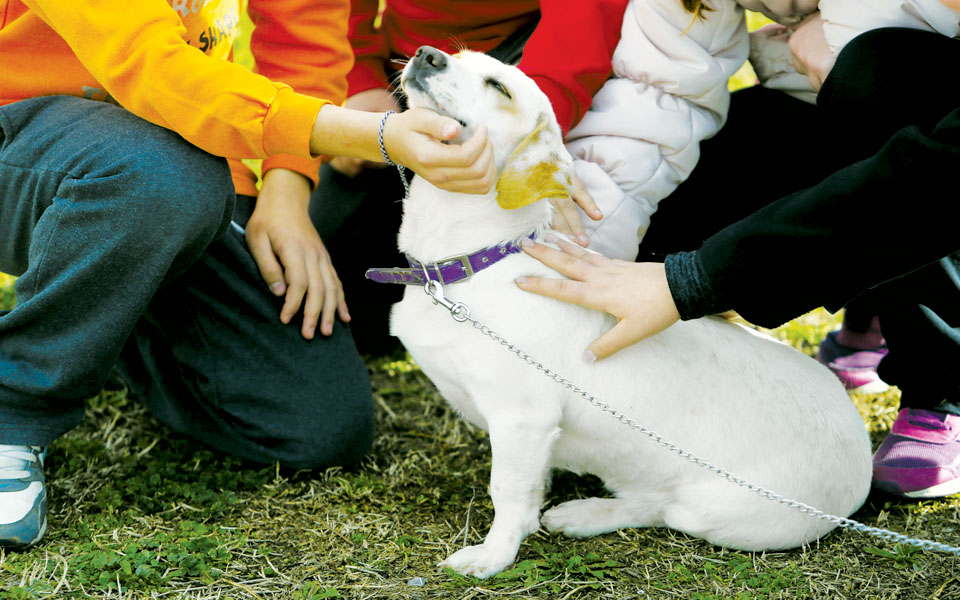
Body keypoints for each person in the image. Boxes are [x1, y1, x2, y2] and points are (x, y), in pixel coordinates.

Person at [0, 0, 500, 547]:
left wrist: (289, 185)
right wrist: (376, 134)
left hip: (170, 156)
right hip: (25, 134)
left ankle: (107, 299)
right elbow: (154, 67)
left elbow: (303, 31)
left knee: (318, 424)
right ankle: (14, 415)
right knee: (170, 178)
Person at [516, 14, 960, 498]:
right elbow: (660, 95)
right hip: (815, 95)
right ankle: (871, 308)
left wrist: (691, 282)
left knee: (879, 67)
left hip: (920, 98)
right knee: (668, 214)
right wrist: (593, 242)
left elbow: (940, 172)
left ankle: (943, 386)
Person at [308, 0, 631, 354]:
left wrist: (534, 139)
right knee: (331, 294)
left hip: (524, 61)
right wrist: (359, 77)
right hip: (406, 63)